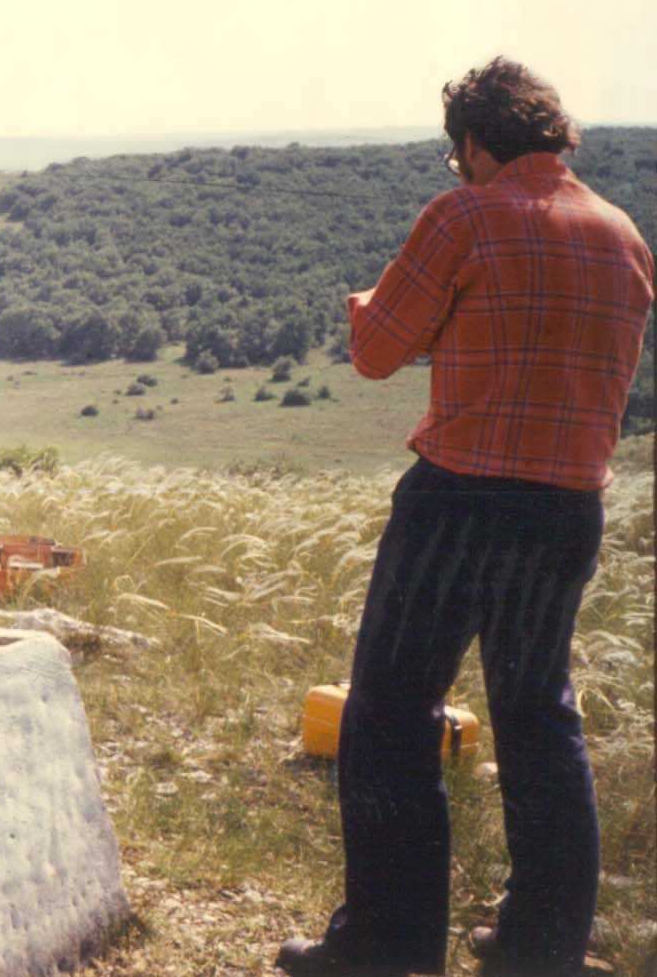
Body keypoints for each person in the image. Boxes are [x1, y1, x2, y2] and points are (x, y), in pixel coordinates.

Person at [277, 58, 652, 977]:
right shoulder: (622, 235)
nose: (460, 169)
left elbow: (375, 352)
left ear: (476, 144)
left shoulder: (466, 215)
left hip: (461, 498)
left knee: (392, 714)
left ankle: (388, 943)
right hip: (569, 506)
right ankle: (540, 947)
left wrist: (372, 304)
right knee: (537, 718)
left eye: (459, 156)